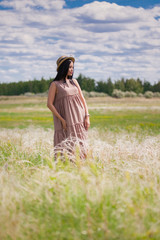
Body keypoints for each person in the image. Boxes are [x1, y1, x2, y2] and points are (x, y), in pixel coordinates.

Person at [47, 56, 90, 161]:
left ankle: (82, 168)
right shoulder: (55, 84)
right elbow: (49, 104)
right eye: (70, 67)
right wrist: (61, 119)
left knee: (81, 145)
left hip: (79, 119)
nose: (72, 70)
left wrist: (87, 116)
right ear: (63, 68)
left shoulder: (74, 82)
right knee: (66, 147)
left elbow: (82, 99)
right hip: (66, 120)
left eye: (73, 67)